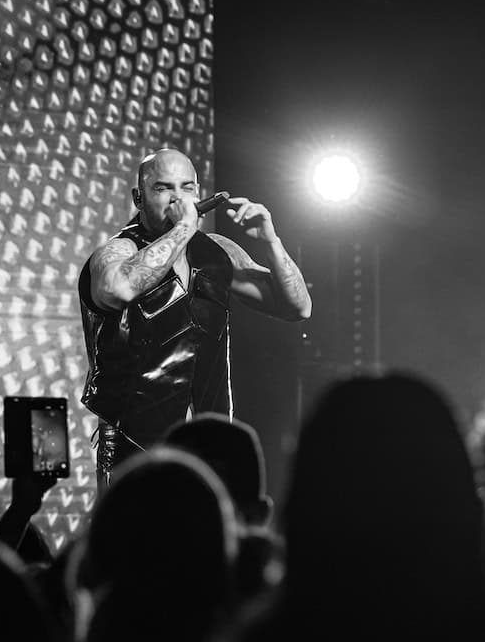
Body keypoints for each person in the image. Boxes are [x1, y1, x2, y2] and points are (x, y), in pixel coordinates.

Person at [77, 147, 312, 490]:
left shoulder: (216, 252)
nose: (178, 199)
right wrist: (185, 226)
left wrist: (271, 241)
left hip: (210, 443)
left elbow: (297, 307)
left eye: (187, 188)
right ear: (139, 198)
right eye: (163, 188)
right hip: (136, 445)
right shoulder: (120, 251)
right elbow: (117, 289)